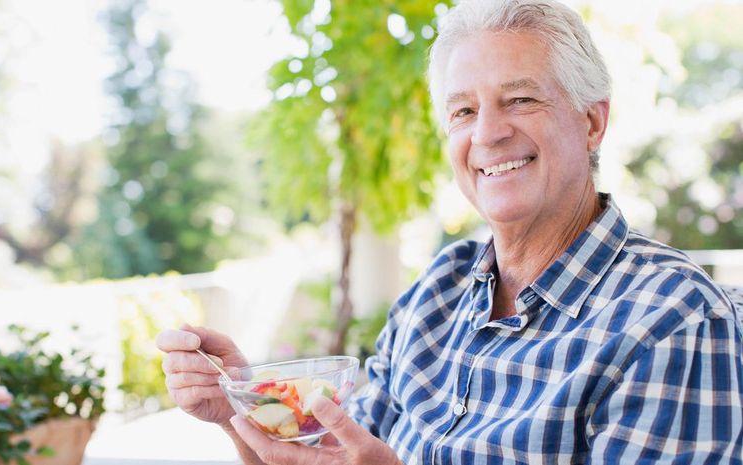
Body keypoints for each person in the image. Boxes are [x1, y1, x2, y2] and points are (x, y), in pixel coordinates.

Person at [157, 0, 743, 463]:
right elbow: (335, 457)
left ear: (593, 121)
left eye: (519, 99)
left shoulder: (675, 319)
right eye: (463, 111)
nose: (487, 134)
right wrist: (242, 406)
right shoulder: (438, 287)